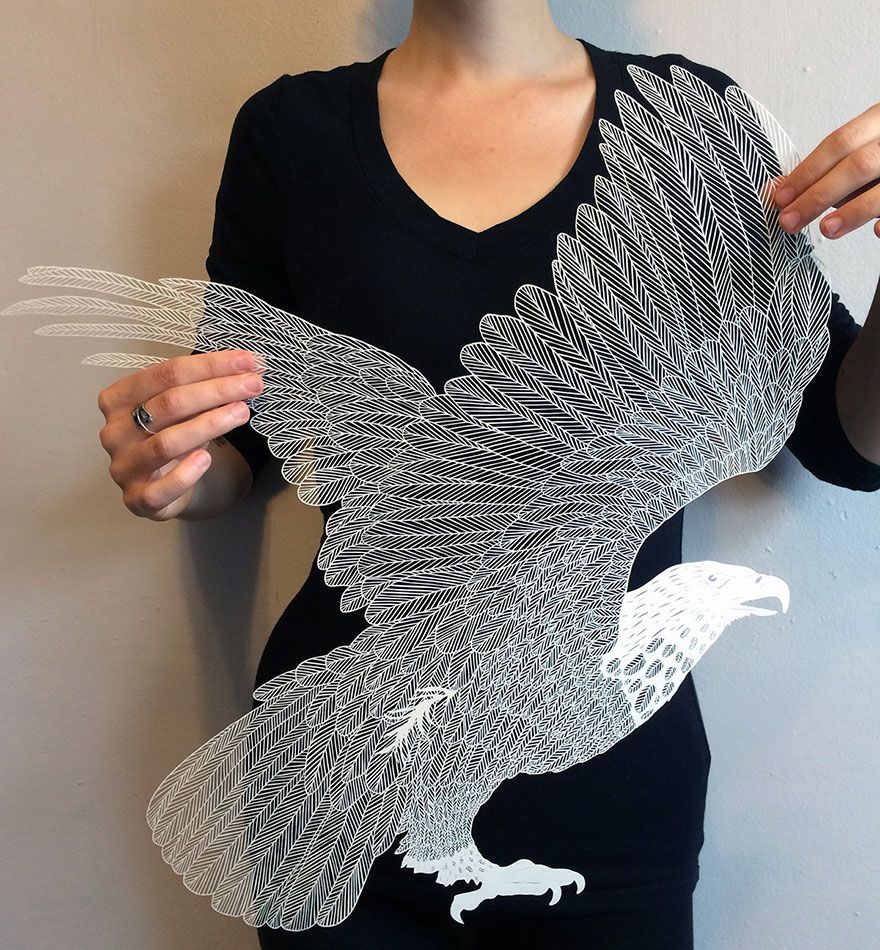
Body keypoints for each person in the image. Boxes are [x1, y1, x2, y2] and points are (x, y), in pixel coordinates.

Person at [96, 2, 880, 947]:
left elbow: (847, 445)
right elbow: (240, 444)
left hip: (614, 834)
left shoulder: (691, 119)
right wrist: (175, 467)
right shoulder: (292, 133)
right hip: (338, 792)